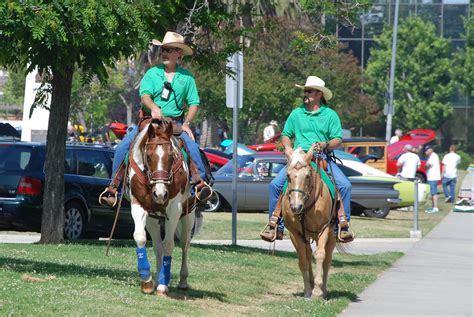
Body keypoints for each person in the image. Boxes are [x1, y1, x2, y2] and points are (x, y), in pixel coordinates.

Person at [100, 31, 210, 207]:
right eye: (164, 49)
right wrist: (153, 107)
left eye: (170, 49)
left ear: (179, 53)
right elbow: (145, 96)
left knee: (193, 148)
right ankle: (113, 189)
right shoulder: (152, 74)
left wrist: (187, 124)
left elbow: (194, 103)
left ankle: (200, 186)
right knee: (122, 147)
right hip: (149, 123)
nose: (165, 53)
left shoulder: (187, 77)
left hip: (174, 124)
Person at [260, 75, 353, 242]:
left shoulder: (330, 115)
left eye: (309, 91)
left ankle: (342, 226)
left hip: (321, 158)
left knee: (344, 186)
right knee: (275, 185)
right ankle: (275, 226)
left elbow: (337, 139)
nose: (305, 93)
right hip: (299, 159)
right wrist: (288, 148)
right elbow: (286, 135)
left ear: (319, 94)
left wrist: (325, 144)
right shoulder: (296, 114)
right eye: (305, 90)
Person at [424, 145, 441, 213]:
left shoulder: (433, 156)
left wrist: (425, 166)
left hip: (433, 177)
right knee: (432, 192)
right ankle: (433, 207)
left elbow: (428, 165)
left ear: (431, 150)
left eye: (427, 150)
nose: (426, 152)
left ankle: (435, 207)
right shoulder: (431, 156)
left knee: (434, 192)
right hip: (431, 177)